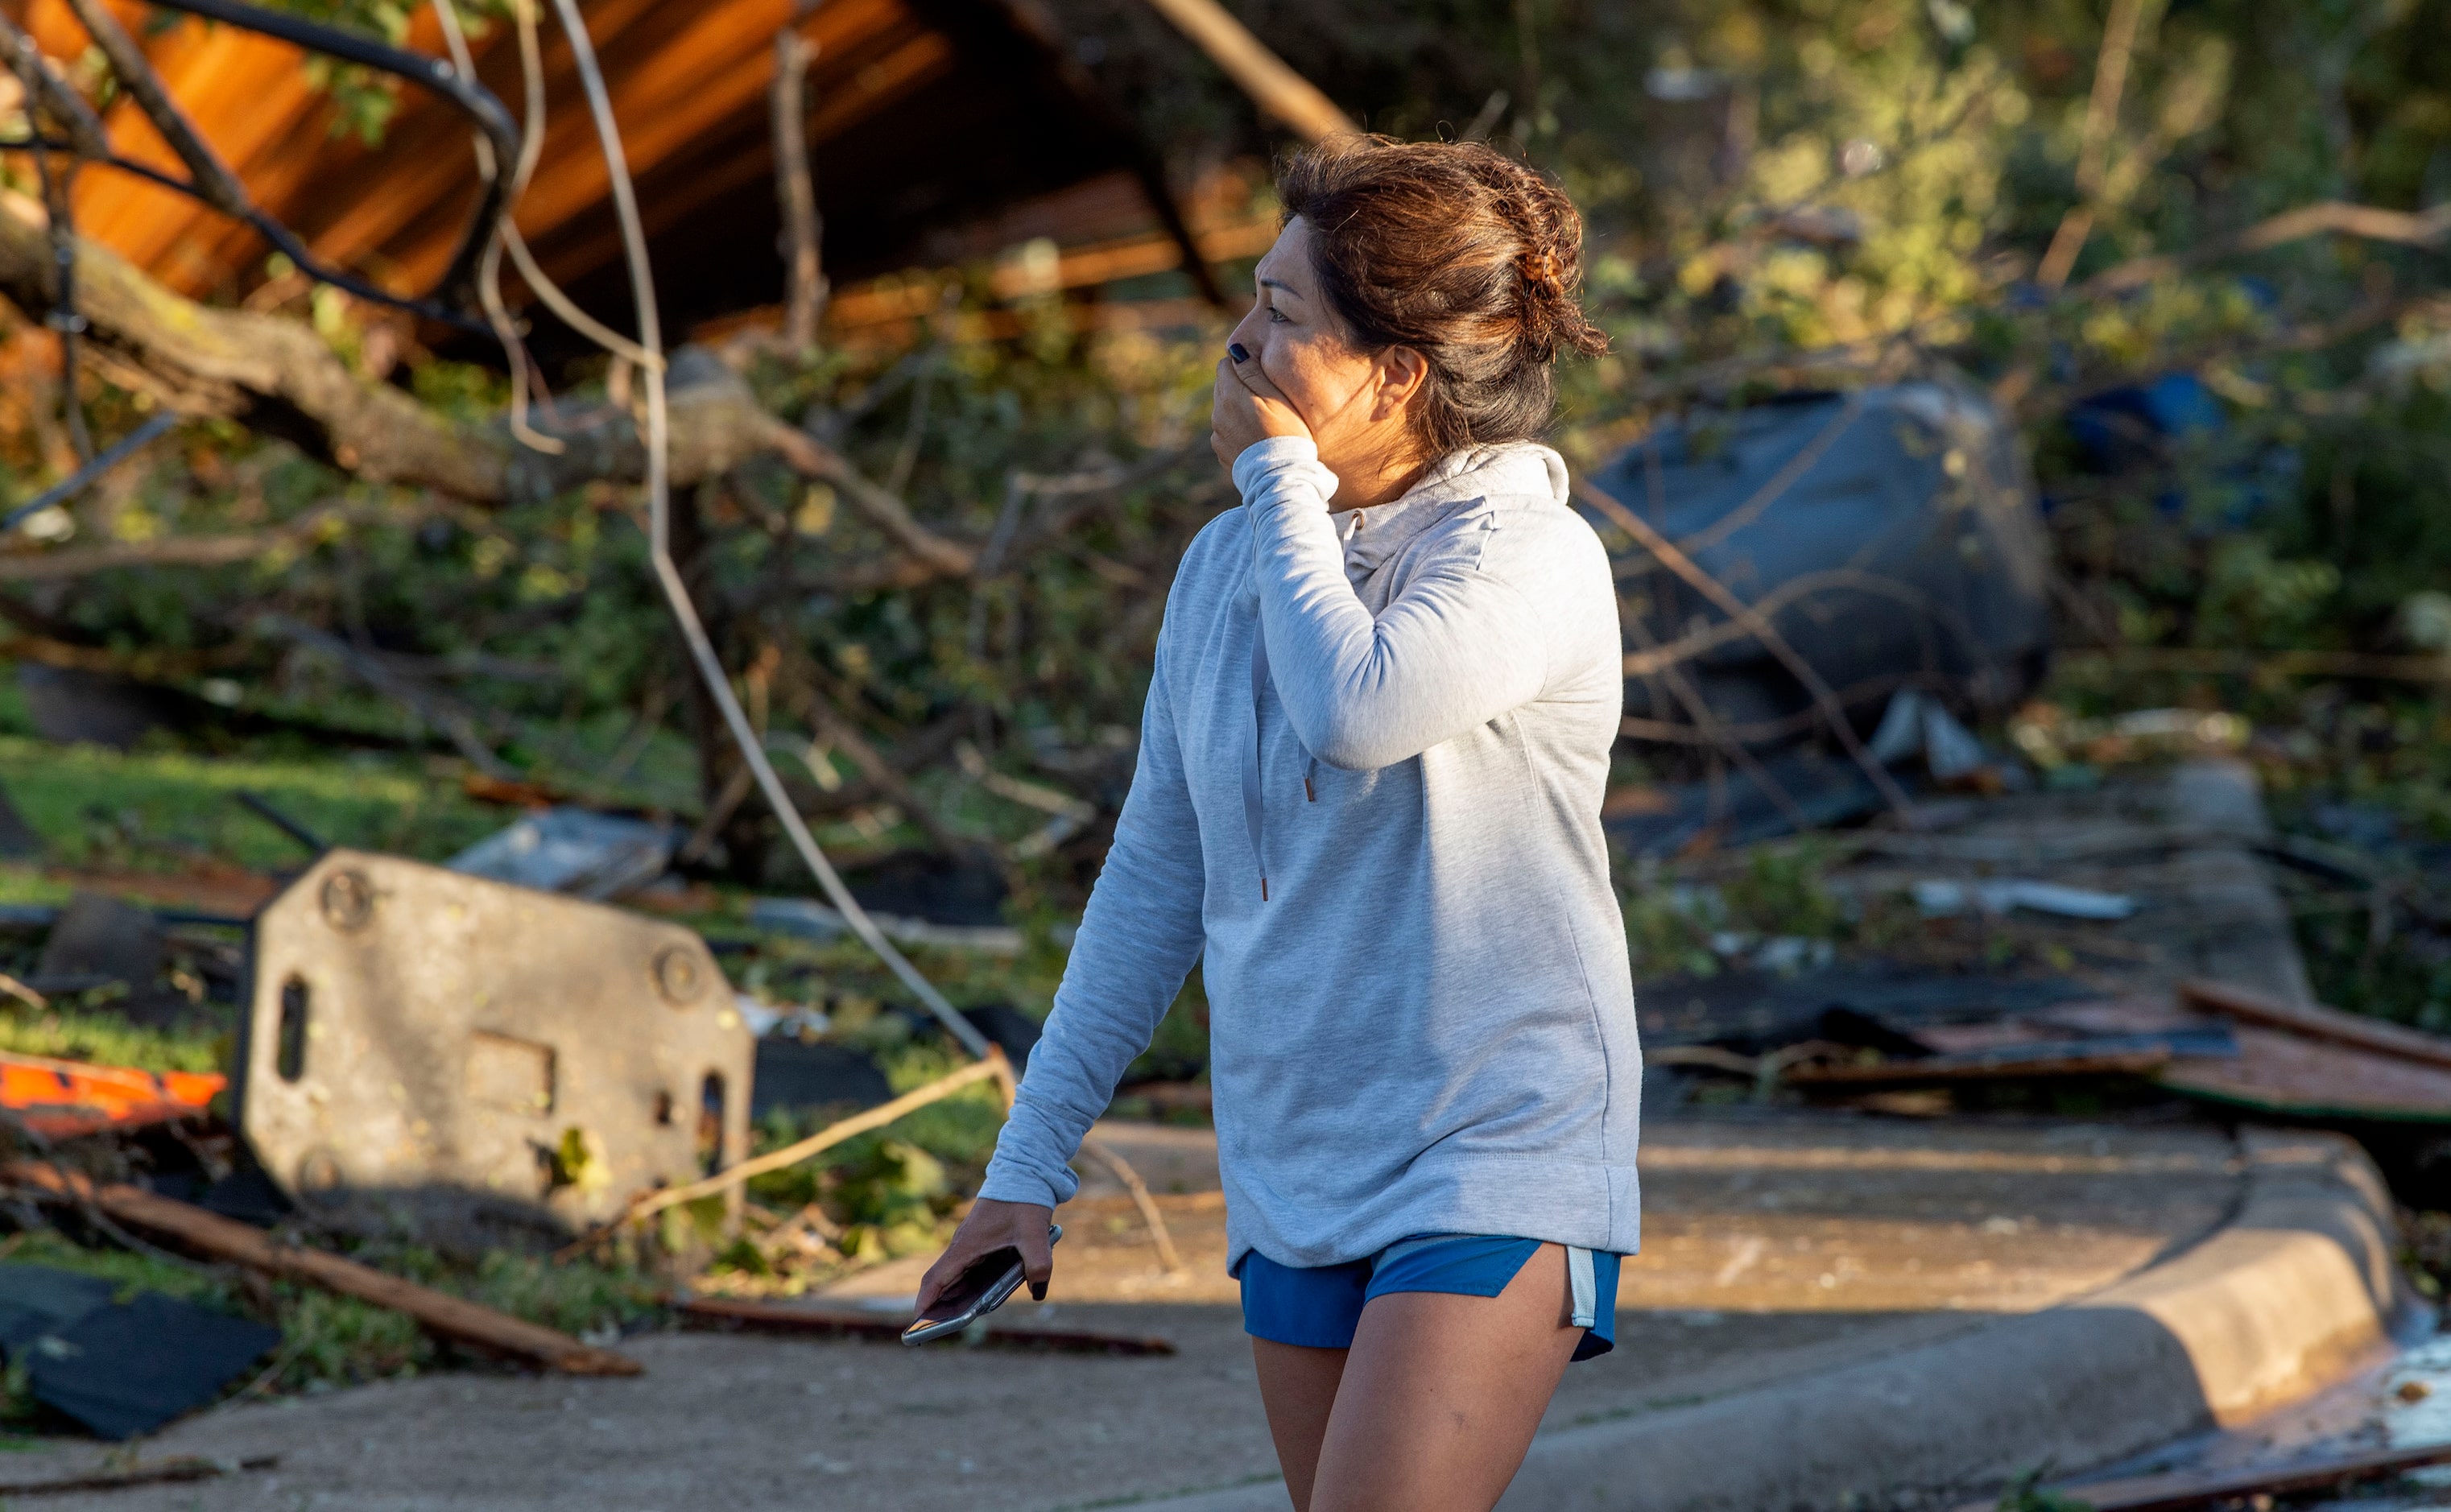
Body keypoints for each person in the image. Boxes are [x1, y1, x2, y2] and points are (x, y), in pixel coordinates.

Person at [917, 134, 1639, 1512]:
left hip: (1493, 1149)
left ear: (1396, 374)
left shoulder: (1530, 555)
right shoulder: (1225, 567)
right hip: (1295, 1157)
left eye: (1284, 314)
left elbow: (1358, 706)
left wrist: (1275, 483)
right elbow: (1152, 879)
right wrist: (1025, 1169)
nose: (1240, 341)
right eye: (1252, 300)